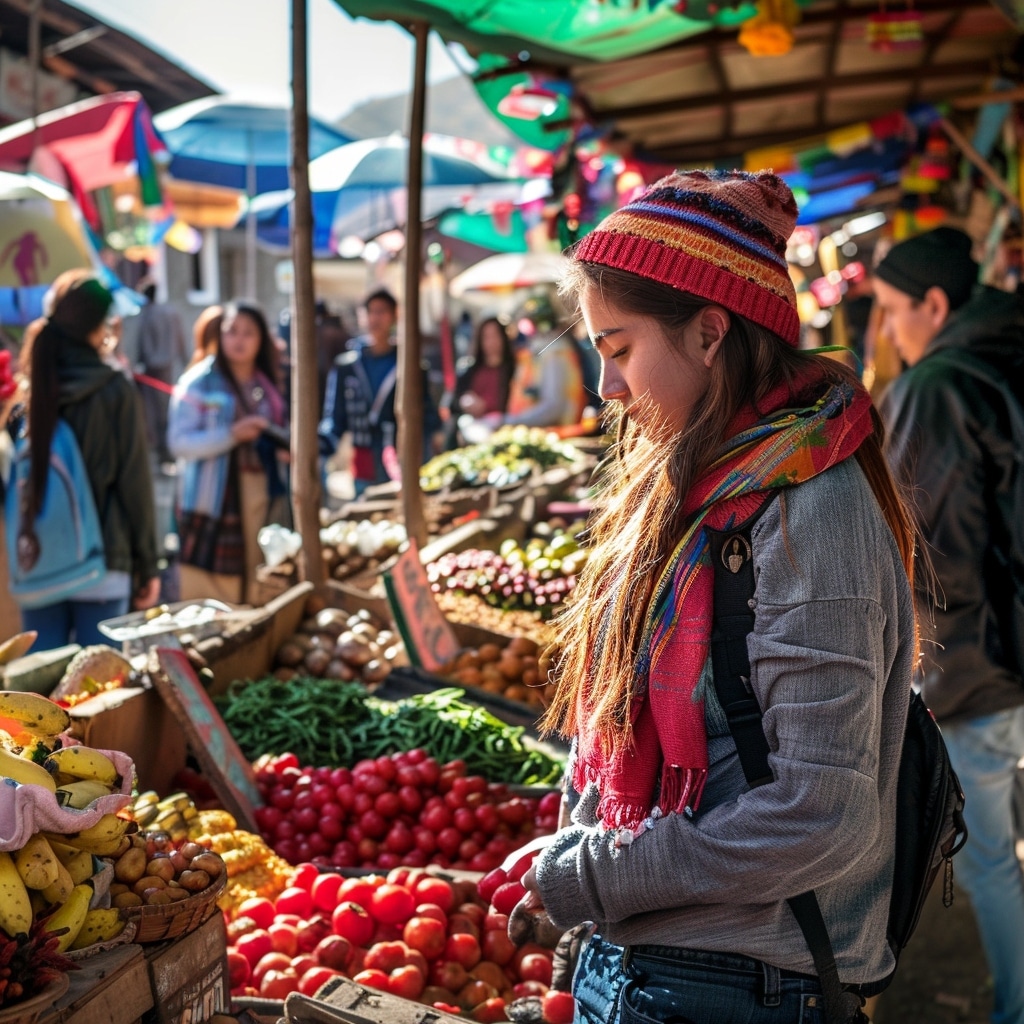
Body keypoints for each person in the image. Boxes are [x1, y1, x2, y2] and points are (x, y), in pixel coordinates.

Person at [517, 170, 919, 1024]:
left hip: (738, 989)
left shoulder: (812, 515)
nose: (606, 390)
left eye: (618, 349)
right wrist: (580, 883)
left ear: (709, 333)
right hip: (651, 963)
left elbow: (822, 814)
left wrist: (591, 874)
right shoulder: (700, 493)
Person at [873, 226, 1024, 1024]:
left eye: (894, 310)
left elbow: (933, 561)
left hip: (982, 665)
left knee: (995, 858)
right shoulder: (1013, 351)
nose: (889, 330)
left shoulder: (932, 389)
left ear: (935, 304)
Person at [6, 271, 160, 647]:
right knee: (99, 693)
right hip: (104, 561)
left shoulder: (31, 391)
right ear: (100, 325)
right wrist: (147, 565)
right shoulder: (112, 387)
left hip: (39, 563)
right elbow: (134, 482)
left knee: (38, 696)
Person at [168, 300, 288, 606]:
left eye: (248, 332)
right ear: (218, 334)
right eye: (232, 331)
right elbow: (179, 443)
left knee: (257, 572)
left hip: (259, 495)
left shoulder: (267, 385)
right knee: (207, 590)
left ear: (261, 339)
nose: (239, 340)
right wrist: (232, 434)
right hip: (209, 499)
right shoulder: (199, 382)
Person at [318, 288, 441, 495]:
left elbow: (425, 412)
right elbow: (335, 418)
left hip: (403, 455)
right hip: (364, 457)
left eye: (382, 311)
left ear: (394, 316)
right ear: (362, 316)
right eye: (371, 311)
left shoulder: (409, 365)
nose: (376, 318)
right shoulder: (347, 367)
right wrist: (321, 446)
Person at [136, 281, 188, 467]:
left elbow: (144, 344)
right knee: (169, 410)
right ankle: (168, 451)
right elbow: (181, 340)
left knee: (156, 413)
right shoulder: (171, 313)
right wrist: (184, 361)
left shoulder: (148, 315)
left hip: (154, 371)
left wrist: (143, 362)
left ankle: (163, 452)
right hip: (171, 366)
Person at [445, 316, 516, 448]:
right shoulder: (469, 369)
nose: (491, 342)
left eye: (495, 335)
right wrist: (464, 402)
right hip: (473, 431)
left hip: (504, 429)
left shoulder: (514, 368)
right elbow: (452, 404)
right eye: (486, 337)